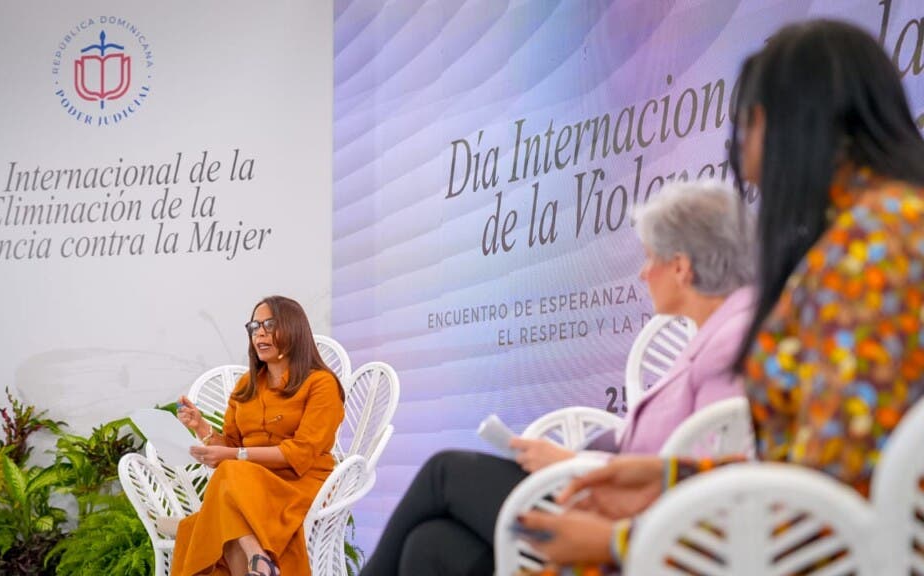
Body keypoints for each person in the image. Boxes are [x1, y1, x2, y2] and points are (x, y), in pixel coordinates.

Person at [518, 19, 924, 570]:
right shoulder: (881, 231)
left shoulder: (870, 249)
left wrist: (624, 545)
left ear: (789, 121)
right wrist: (672, 477)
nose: (742, 143)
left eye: (748, 120)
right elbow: (817, 473)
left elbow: (833, 502)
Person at [360, 180, 757, 576]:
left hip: (623, 524)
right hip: (604, 497)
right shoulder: (715, 335)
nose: (642, 273)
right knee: (429, 545)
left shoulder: (731, 341)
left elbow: (703, 475)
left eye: (650, 258)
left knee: (444, 472)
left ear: (681, 267)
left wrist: (573, 461)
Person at [171, 296, 345, 576]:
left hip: (301, 484)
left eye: (269, 325)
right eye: (254, 327)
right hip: (247, 485)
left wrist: (233, 455)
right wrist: (200, 426)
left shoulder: (321, 384)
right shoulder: (246, 386)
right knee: (230, 486)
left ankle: (250, 553)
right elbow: (229, 446)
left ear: (293, 329)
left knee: (225, 492)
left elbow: (300, 453)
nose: (259, 333)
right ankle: (258, 559)